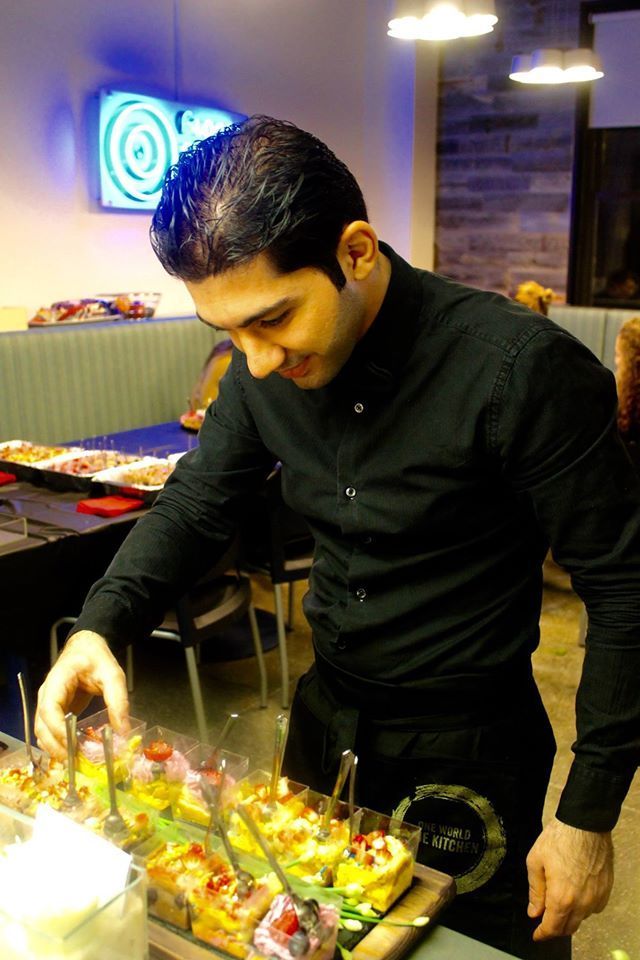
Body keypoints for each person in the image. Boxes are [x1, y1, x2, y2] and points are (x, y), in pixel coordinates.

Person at [34, 117, 640, 959]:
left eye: (274, 318)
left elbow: (625, 587)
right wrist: (103, 623)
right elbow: (198, 502)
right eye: (228, 332)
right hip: (324, 724)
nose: (254, 361)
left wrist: (589, 814)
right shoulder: (263, 368)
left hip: (466, 747)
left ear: (355, 251)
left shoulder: (520, 370)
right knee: (304, 933)